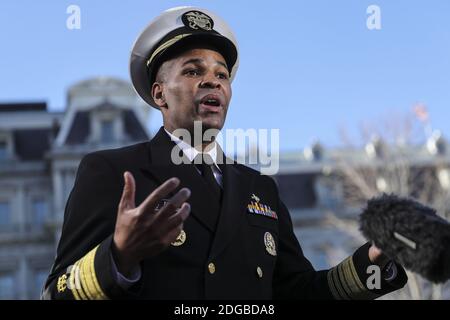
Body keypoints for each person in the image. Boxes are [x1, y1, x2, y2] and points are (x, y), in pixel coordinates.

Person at [42, 6, 407, 300]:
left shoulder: (260, 189)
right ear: (159, 95)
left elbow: (298, 292)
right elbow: (55, 293)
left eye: (222, 74)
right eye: (192, 70)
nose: (212, 80)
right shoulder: (111, 171)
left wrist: (374, 263)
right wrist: (118, 256)